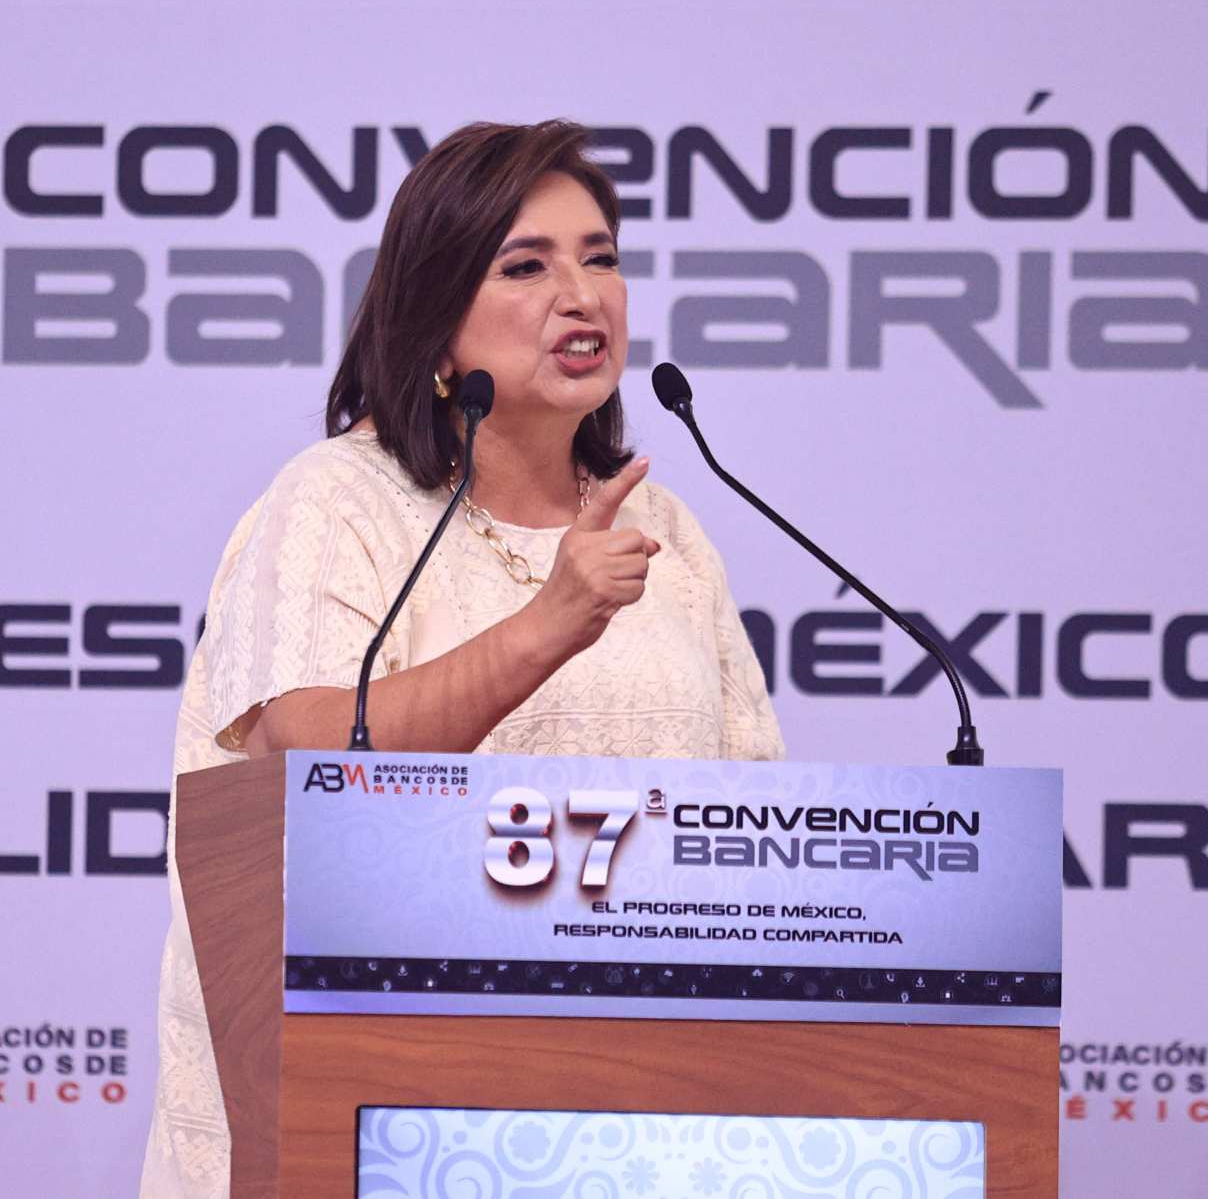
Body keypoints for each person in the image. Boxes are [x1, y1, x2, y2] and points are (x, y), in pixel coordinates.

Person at [137, 119, 782, 1197]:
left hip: (638, 1115)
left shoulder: (665, 529)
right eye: (526, 267)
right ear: (437, 330)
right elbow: (306, 759)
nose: (581, 296)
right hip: (385, 1114)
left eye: (600, 258)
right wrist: (545, 626)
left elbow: (748, 808)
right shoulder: (338, 502)